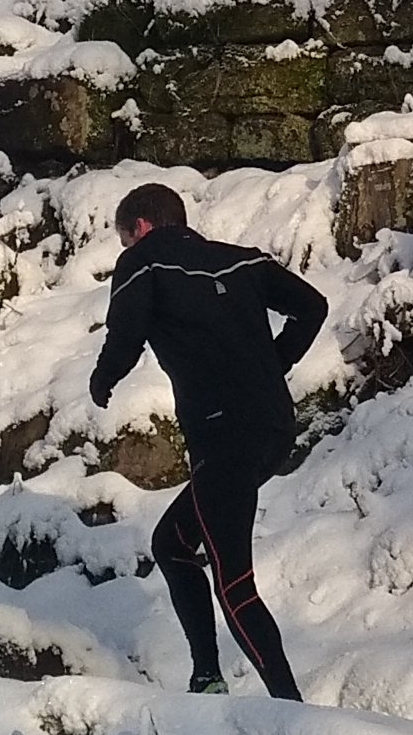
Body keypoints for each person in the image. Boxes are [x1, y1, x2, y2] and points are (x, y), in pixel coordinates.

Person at [87, 182, 328, 700]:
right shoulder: (242, 261)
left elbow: (125, 336)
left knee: (234, 584)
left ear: (142, 228)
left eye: (126, 239)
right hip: (273, 428)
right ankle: (206, 677)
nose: (127, 249)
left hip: (222, 433)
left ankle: (293, 712)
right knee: (171, 546)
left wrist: (102, 380)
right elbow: (313, 306)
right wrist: (274, 364)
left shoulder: (144, 263)